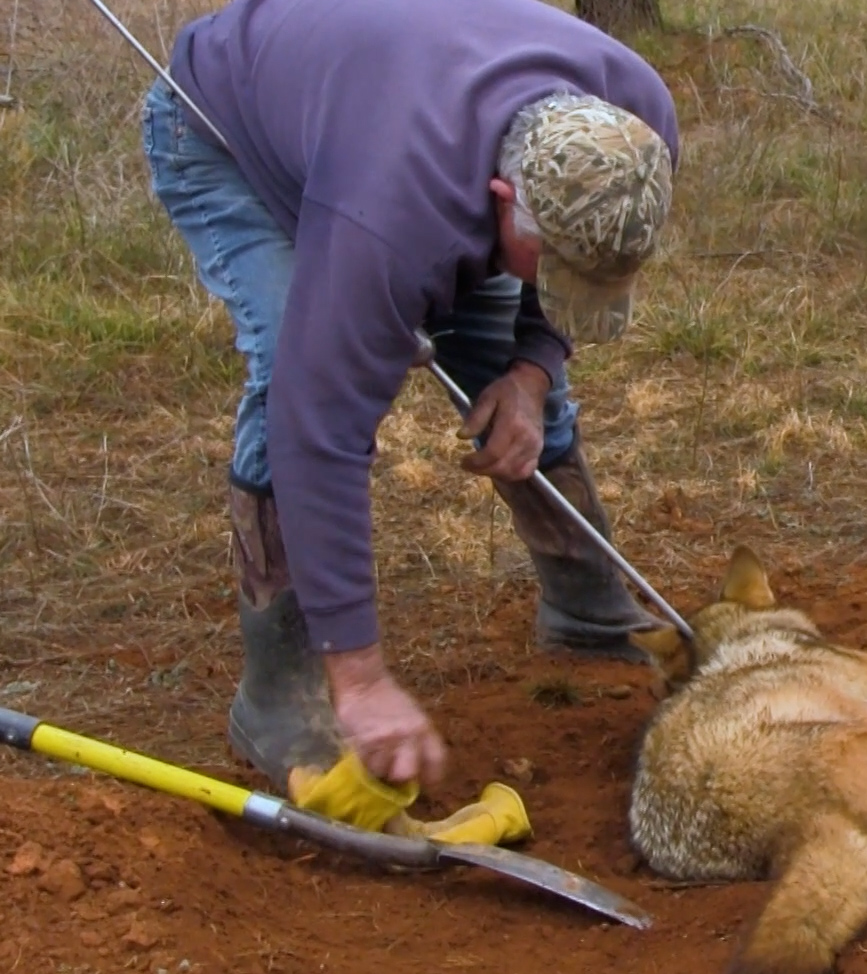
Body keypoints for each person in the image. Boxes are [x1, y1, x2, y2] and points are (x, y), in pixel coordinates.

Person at [141, 0, 679, 833]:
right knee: (292, 352)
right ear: (504, 196)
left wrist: (532, 374)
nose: (569, 284)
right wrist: (361, 678)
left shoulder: (636, 131)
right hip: (226, 133)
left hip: (385, 107)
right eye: (556, 265)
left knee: (506, 359)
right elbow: (318, 429)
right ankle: (277, 690)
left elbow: (576, 267)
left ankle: (587, 608)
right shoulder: (391, 216)